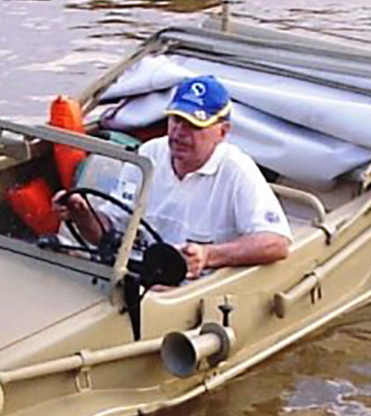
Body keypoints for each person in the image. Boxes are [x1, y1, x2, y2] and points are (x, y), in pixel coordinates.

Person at [53, 75, 291, 279]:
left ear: (222, 131)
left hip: (193, 289)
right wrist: (82, 214)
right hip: (133, 276)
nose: (179, 132)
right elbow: (108, 233)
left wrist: (208, 256)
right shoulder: (148, 155)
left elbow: (277, 243)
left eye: (193, 124)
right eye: (176, 120)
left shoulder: (237, 170)